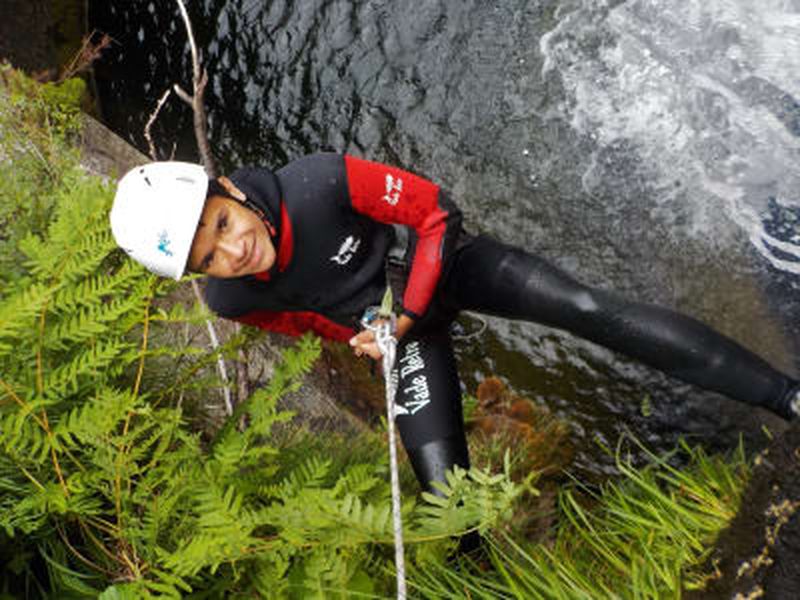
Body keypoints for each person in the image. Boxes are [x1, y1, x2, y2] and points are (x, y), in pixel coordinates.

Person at [110, 153, 800, 494]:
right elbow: (309, 322)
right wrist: (370, 342)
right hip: (402, 331)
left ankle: (785, 397)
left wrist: (405, 311)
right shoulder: (231, 302)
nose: (233, 251)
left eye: (222, 224)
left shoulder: (319, 183)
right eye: (209, 257)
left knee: (590, 311)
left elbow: (436, 212)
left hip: (452, 267)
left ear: (226, 189)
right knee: (441, 482)